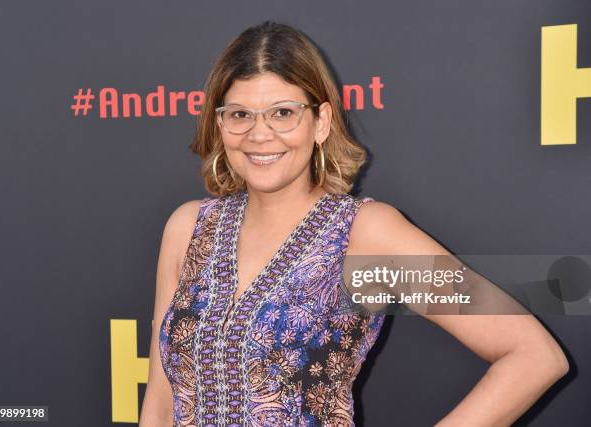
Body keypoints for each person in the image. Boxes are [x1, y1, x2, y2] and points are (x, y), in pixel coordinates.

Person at [139, 21, 569, 427]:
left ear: (321, 121)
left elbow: (533, 356)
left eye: (283, 113)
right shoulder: (189, 227)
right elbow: (159, 401)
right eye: (240, 115)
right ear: (220, 123)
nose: (259, 134)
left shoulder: (362, 233)